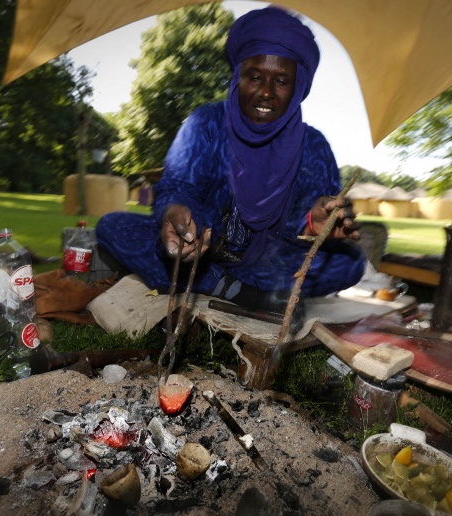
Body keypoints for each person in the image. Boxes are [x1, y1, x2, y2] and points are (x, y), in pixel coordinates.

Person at [96, 6, 366, 313]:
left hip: (270, 260)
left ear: (298, 86)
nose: (265, 92)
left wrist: (316, 223)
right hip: (202, 253)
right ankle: (236, 290)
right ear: (238, 76)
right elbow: (177, 186)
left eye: (281, 80)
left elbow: (309, 214)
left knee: (351, 262)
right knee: (112, 226)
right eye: (254, 76)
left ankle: (227, 286)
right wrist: (176, 213)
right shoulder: (205, 123)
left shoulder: (314, 146)